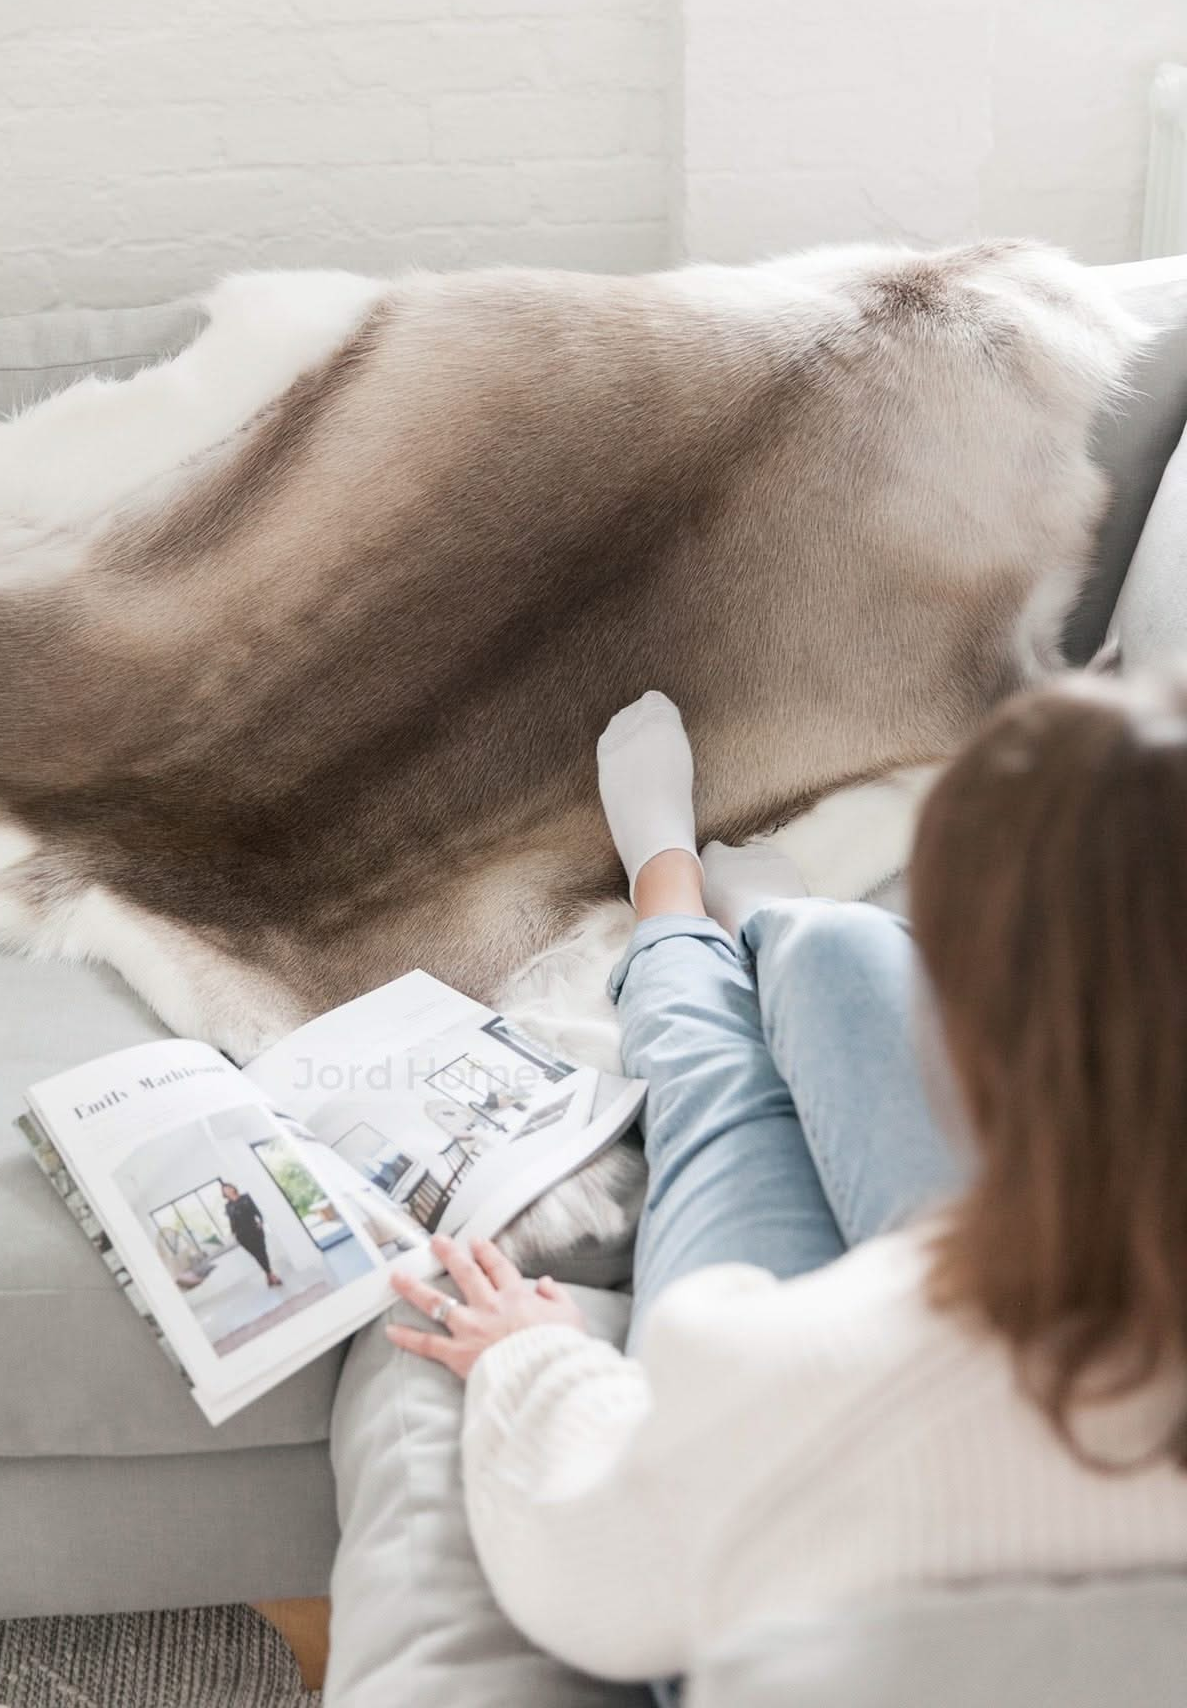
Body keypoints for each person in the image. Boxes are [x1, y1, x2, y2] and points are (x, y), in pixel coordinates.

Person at [384, 678, 1187, 1689]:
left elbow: (586, 1575)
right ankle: (782, 925)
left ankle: (672, 899)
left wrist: (536, 1361)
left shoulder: (806, 1380)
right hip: (1077, 1258)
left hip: (868, 1424)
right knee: (838, 955)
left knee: (730, 1094)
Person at [220, 1180, 283, 1288]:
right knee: (257, 1255)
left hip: (255, 1229)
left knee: (262, 1252)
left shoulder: (246, 1197)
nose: (227, 1190)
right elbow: (232, 1221)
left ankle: (269, 1276)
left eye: (228, 1187)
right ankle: (271, 1276)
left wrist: (261, 1221)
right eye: (224, 1190)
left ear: (233, 1187)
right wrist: (233, 1233)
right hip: (241, 1235)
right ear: (224, 1194)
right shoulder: (227, 1206)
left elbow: (256, 1210)